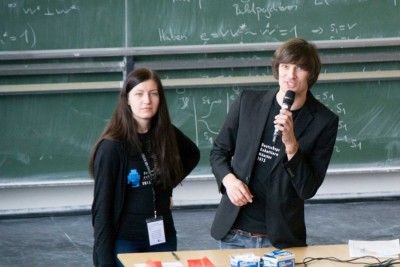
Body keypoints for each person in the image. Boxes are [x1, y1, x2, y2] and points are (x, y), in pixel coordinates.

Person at [209, 38, 339, 249]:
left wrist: (291, 145)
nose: (291, 74)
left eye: (299, 68)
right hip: (234, 233)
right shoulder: (247, 102)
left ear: (311, 74)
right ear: (277, 69)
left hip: (280, 240)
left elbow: (308, 189)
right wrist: (229, 181)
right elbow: (218, 152)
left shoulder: (324, 121)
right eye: (285, 66)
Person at [89, 67, 200, 267]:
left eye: (153, 93)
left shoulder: (167, 134)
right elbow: (102, 209)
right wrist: (104, 261)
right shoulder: (112, 147)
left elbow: (193, 155)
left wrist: (165, 188)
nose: (147, 100)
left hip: (163, 238)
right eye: (139, 94)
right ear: (127, 100)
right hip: (125, 241)